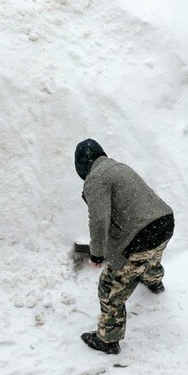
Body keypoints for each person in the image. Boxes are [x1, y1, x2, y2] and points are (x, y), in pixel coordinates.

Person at [75, 139, 174, 355]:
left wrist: (97, 254)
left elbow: (99, 220)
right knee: (150, 256)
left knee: (109, 287)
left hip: (142, 236)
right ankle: (153, 280)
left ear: (82, 166)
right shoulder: (118, 167)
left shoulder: (95, 179)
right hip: (164, 222)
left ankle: (108, 340)